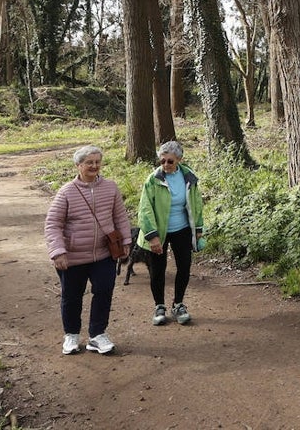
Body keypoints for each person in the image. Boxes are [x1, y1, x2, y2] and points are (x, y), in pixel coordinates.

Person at [44, 145, 130, 356]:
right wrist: (58, 251)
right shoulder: (66, 192)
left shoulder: (110, 188)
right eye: (89, 162)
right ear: (78, 165)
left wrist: (126, 240)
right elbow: (53, 224)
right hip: (73, 257)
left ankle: (97, 335)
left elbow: (120, 217)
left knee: (104, 291)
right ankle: (71, 335)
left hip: (103, 254)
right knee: (72, 296)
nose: (94, 166)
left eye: (97, 162)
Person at [136, 140, 205, 326]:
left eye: (170, 161)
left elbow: (196, 204)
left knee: (184, 267)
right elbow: (144, 209)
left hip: (182, 229)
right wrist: (152, 236)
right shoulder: (153, 179)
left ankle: (179, 304)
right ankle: (159, 306)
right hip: (158, 231)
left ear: (179, 160)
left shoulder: (189, 177)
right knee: (158, 270)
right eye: (162, 161)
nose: (166, 165)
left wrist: (198, 229)